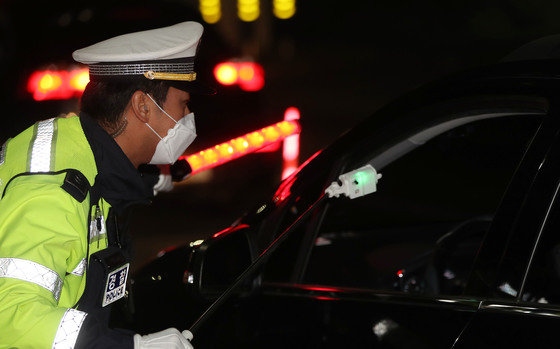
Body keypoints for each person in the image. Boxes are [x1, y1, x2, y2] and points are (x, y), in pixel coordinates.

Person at [0, 21, 213, 348]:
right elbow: (11, 319)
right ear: (143, 106)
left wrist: (141, 180)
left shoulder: (88, 154)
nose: (188, 117)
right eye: (182, 105)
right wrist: (132, 347)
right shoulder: (54, 188)